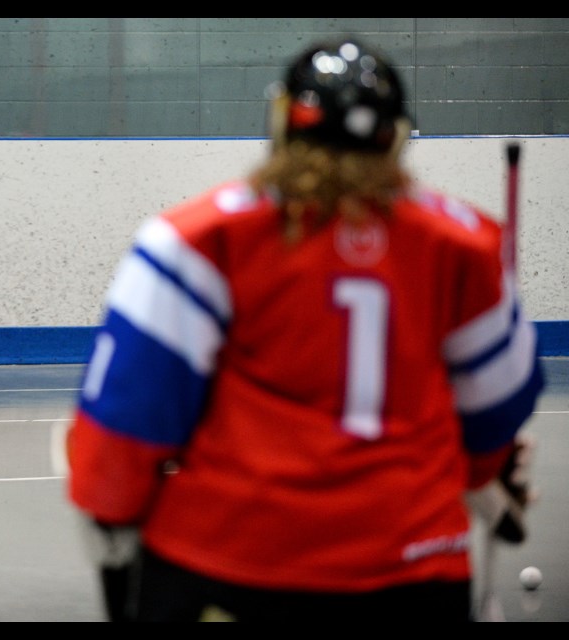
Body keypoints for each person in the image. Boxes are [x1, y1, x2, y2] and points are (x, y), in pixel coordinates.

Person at [63, 38, 545, 622]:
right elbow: (495, 415)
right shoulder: (466, 246)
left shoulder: (196, 241)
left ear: (283, 122)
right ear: (394, 137)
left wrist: (112, 531)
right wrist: (481, 477)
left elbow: (123, 426)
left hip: (230, 568)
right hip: (413, 572)